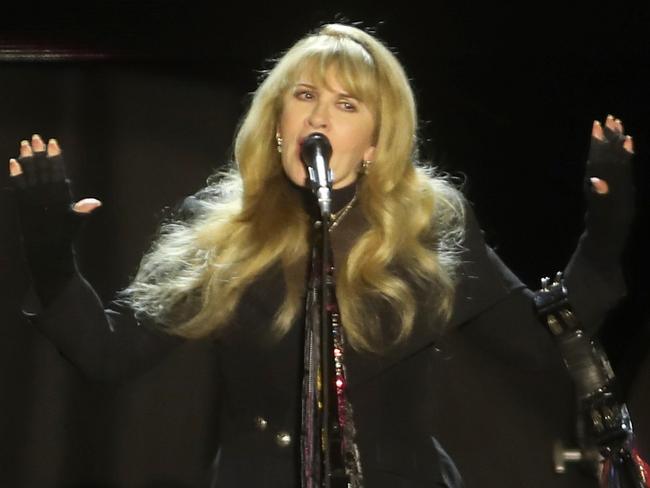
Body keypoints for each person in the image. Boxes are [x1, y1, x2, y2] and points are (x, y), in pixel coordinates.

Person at [7, 23, 635, 487]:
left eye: (347, 104)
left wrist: (604, 237)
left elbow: (540, 346)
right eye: (304, 95)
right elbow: (108, 354)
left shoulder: (427, 227)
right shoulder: (222, 232)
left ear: (374, 142)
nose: (320, 117)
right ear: (278, 122)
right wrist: (51, 256)